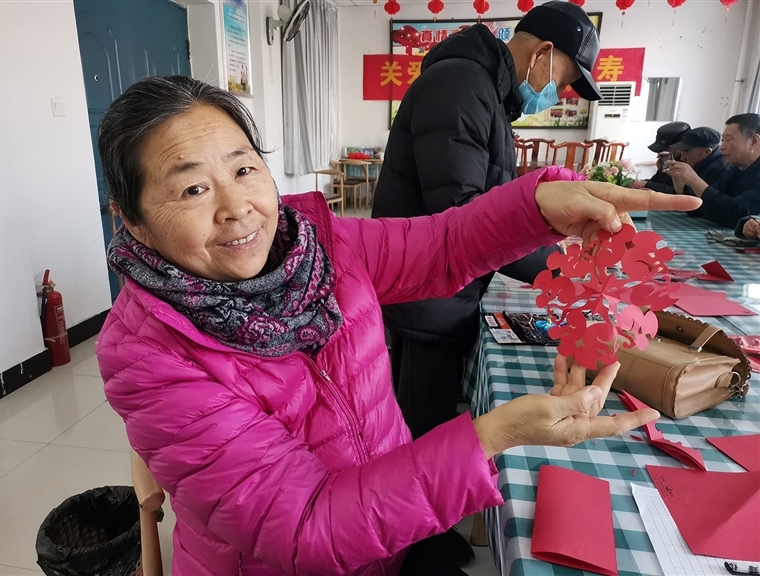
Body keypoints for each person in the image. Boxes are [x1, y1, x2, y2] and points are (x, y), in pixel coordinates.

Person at [95, 76, 699, 576]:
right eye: (194, 189)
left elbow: (439, 245)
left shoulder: (319, 250)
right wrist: (490, 437)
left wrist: (539, 206)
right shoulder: (148, 357)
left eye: (245, 169)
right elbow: (304, 525)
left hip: (393, 532)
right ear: (134, 218)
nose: (237, 209)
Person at [370, 8, 603, 545]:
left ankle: (419, 527)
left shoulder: (485, 92)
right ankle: (413, 540)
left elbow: (491, 206)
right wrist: (563, 271)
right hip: (427, 286)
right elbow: (467, 222)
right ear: (543, 53)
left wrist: (554, 242)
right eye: (565, 79)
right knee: (422, 421)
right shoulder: (461, 86)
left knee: (413, 416)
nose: (559, 92)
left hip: (438, 284)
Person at [667, 113, 760, 228]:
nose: (722, 147)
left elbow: (738, 214)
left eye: (728, 140)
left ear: (754, 141)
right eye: (722, 140)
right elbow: (702, 207)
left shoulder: (720, 167)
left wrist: (695, 181)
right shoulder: (734, 171)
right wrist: (680, 183)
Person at [629, 121, 690, 192]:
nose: (659, 154)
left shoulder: (687, 165)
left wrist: (646, 184)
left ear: (678, 148)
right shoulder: (667, 159)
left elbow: (676, 191)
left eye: (664, 149)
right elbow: (656, 181)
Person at [667, 127, 727, 195]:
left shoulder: (719, 171)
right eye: (681, 152)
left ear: (706, 152)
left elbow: (699, 202)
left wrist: (680, 188)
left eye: (686, 151)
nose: (682, 158)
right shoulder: (700, 161)